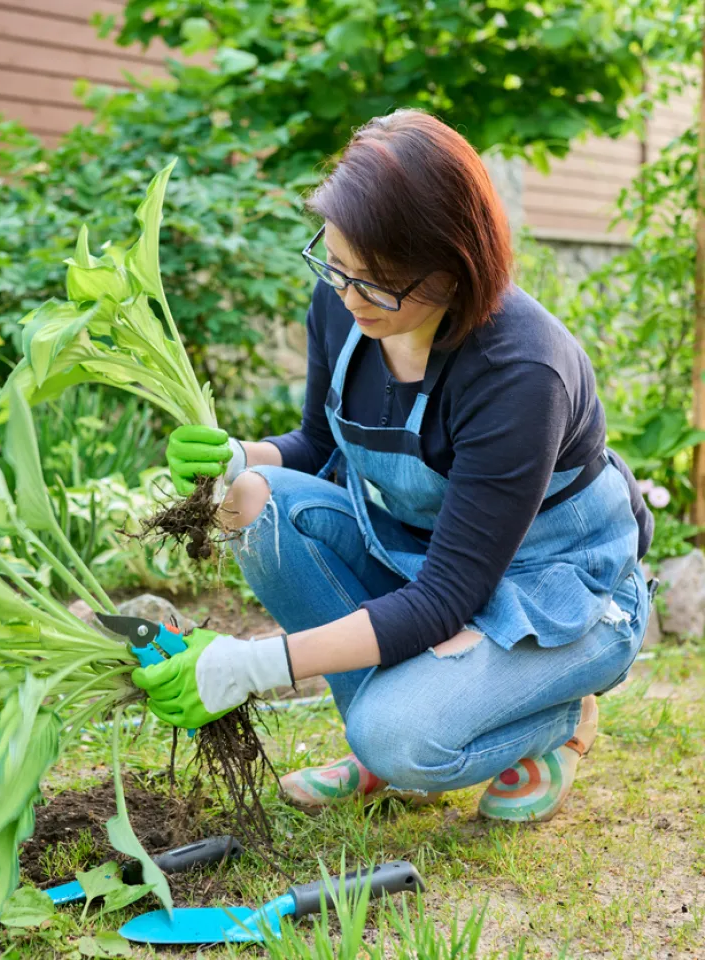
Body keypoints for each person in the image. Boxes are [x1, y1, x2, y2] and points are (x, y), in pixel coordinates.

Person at [132, 110, 654, 823]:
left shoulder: (521, 372)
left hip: (556, 592)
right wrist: (237, 455)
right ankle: (372, 740)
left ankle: (559, 717)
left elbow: (446, 599)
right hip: (430, 562)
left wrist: (249, 665)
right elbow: (318, 445)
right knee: (250, 502)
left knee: (403, 739)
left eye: (379, 284)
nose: (350, 297)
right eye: (338, 266)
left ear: (456, 265)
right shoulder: (344, 301)